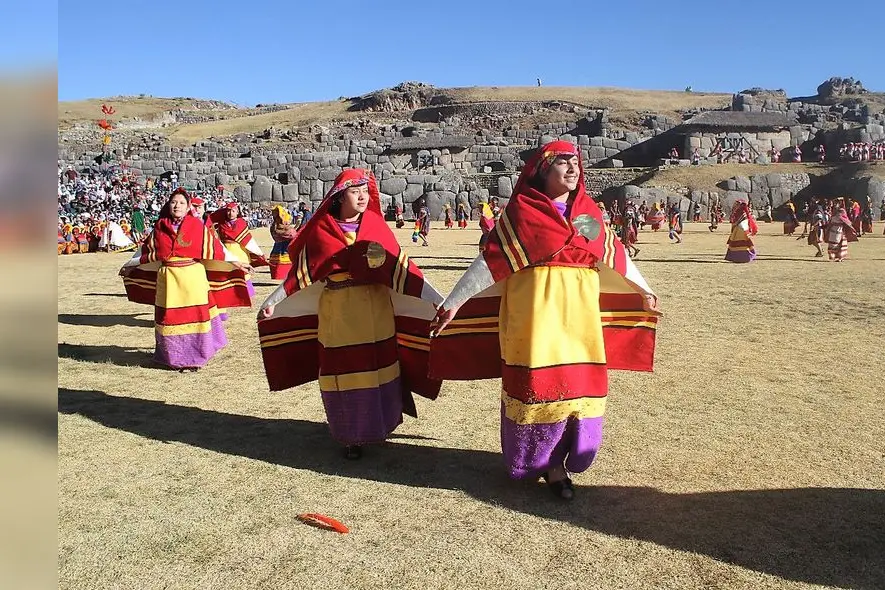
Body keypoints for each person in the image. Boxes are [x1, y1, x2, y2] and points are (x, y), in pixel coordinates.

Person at [427, 140, 660, 501]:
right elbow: (489, 263)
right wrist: (455, 302)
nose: (573, 170)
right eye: (563, 163)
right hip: (535, 313)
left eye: (576, 163)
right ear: (541, 169)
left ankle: (564, 460)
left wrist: (642, 288)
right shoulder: (523, 212)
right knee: (542, 383)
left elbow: (614, 254)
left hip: (580, 314)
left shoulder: (585, 214)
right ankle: (543, 462)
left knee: (577, 386)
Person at [256, 169, 444, 460]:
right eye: (355, 191)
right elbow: (301, 275)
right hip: (338, 313)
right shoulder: (322, 231)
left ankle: (380, 424)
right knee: (345, 371)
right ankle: (349, 435)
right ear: (340, 195)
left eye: (365, 191)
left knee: (378, 367)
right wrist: (274, 300)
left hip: (376, 311)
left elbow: (401, 269)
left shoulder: (377, 227)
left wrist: (435, 298)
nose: (362, 196)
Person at [119, 188, 252, 371]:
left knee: (194, 316)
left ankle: (196, 356)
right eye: (174, 202)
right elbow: (146, 252)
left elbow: (216, 249)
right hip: (169, 281)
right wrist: (129, 265)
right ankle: (172, 357)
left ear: (188, 206)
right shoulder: (160, 226)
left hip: (192, 278)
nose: (177, 206)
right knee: (170, 317)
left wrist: (236, 263)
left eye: (181, 203)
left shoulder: (197, 226)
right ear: (169, 205)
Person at [268, 204, 297, 280]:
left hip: (277, 247)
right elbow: (293, 235)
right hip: (285, 248)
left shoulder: (274, 227)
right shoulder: (284, 228)